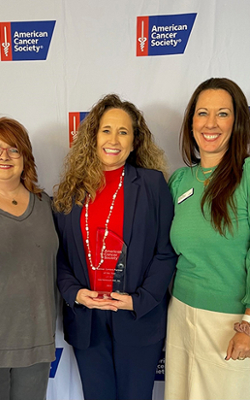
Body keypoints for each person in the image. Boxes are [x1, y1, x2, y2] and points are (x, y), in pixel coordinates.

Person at [53, 94, 177, 400]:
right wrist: (76, 294)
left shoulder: (152, 185)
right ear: (93, 137)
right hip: (88, 322)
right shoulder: (71, 192)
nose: (114, 139)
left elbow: (166, 253)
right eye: (106, 130)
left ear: (135, 142)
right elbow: (60, 257)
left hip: (137, 319)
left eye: (124, 132)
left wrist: (140, 300)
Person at [165, 77, 250, 400]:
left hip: (230, 323)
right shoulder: (179, 180)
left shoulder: (247, 175)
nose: (210, 123)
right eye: (202, 113)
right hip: (181, 316)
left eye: (223, 114)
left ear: (238, 121)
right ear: (190, 123)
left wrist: (248, 323)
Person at [0, 115, 58, 400]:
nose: (4, 156)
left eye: (13, 149)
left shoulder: (47, 207)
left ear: (24, 158)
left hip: (35, 346)